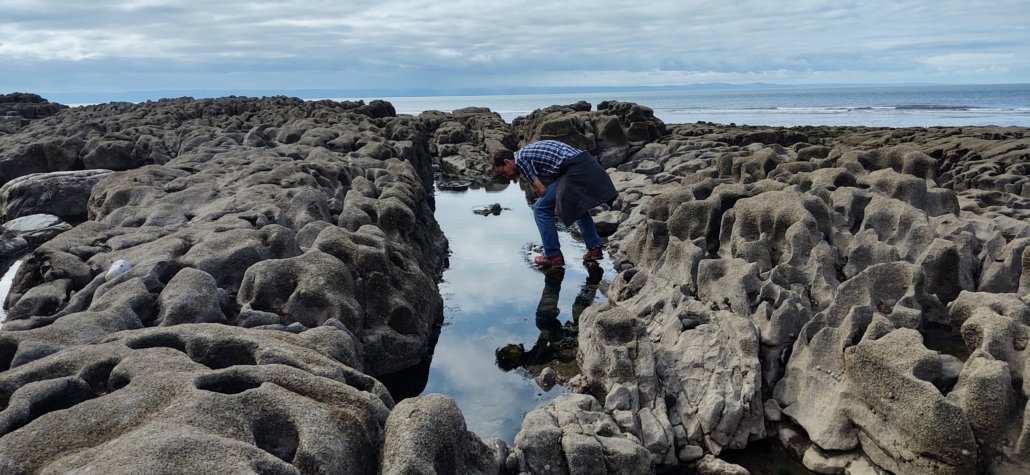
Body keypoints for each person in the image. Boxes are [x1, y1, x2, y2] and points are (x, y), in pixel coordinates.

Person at [492, 140, 618, 267]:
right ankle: (594, 248)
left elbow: (540, 190)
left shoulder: (520, 160)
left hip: (574, 169)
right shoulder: (525, 153)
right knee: (577, 207)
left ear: (507, 162)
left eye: (503, 173)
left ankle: (553, 256)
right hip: (587, 165)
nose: (506, 177)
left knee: (540, 209)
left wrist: (553, 203)